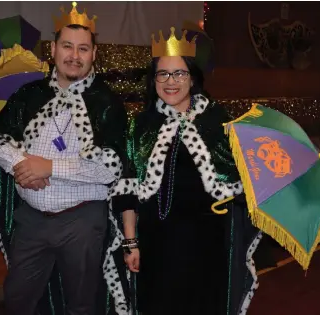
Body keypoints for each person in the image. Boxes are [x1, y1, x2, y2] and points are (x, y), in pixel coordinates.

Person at [103, 27, 263, 315]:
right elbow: (126, 191)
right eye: (162, 74)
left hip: (208, 244)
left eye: (179, 73)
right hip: (157, 244)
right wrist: (130, 242)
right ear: (153, 80)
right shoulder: (141, 126)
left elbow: (242, 180)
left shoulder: (218, 122)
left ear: (192, 77)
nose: (171, 82)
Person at [0, 3, 129, 315]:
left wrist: (49, 167)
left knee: (81, 304)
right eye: (67, 46)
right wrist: (22, 166)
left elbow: (111, 166)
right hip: (32, 221)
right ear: (53, 48)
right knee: (17, 300)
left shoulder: (106, 103)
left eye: (83, 49)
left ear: (93, 54)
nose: (74, 56)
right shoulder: (28, 95)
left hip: (82, 221)